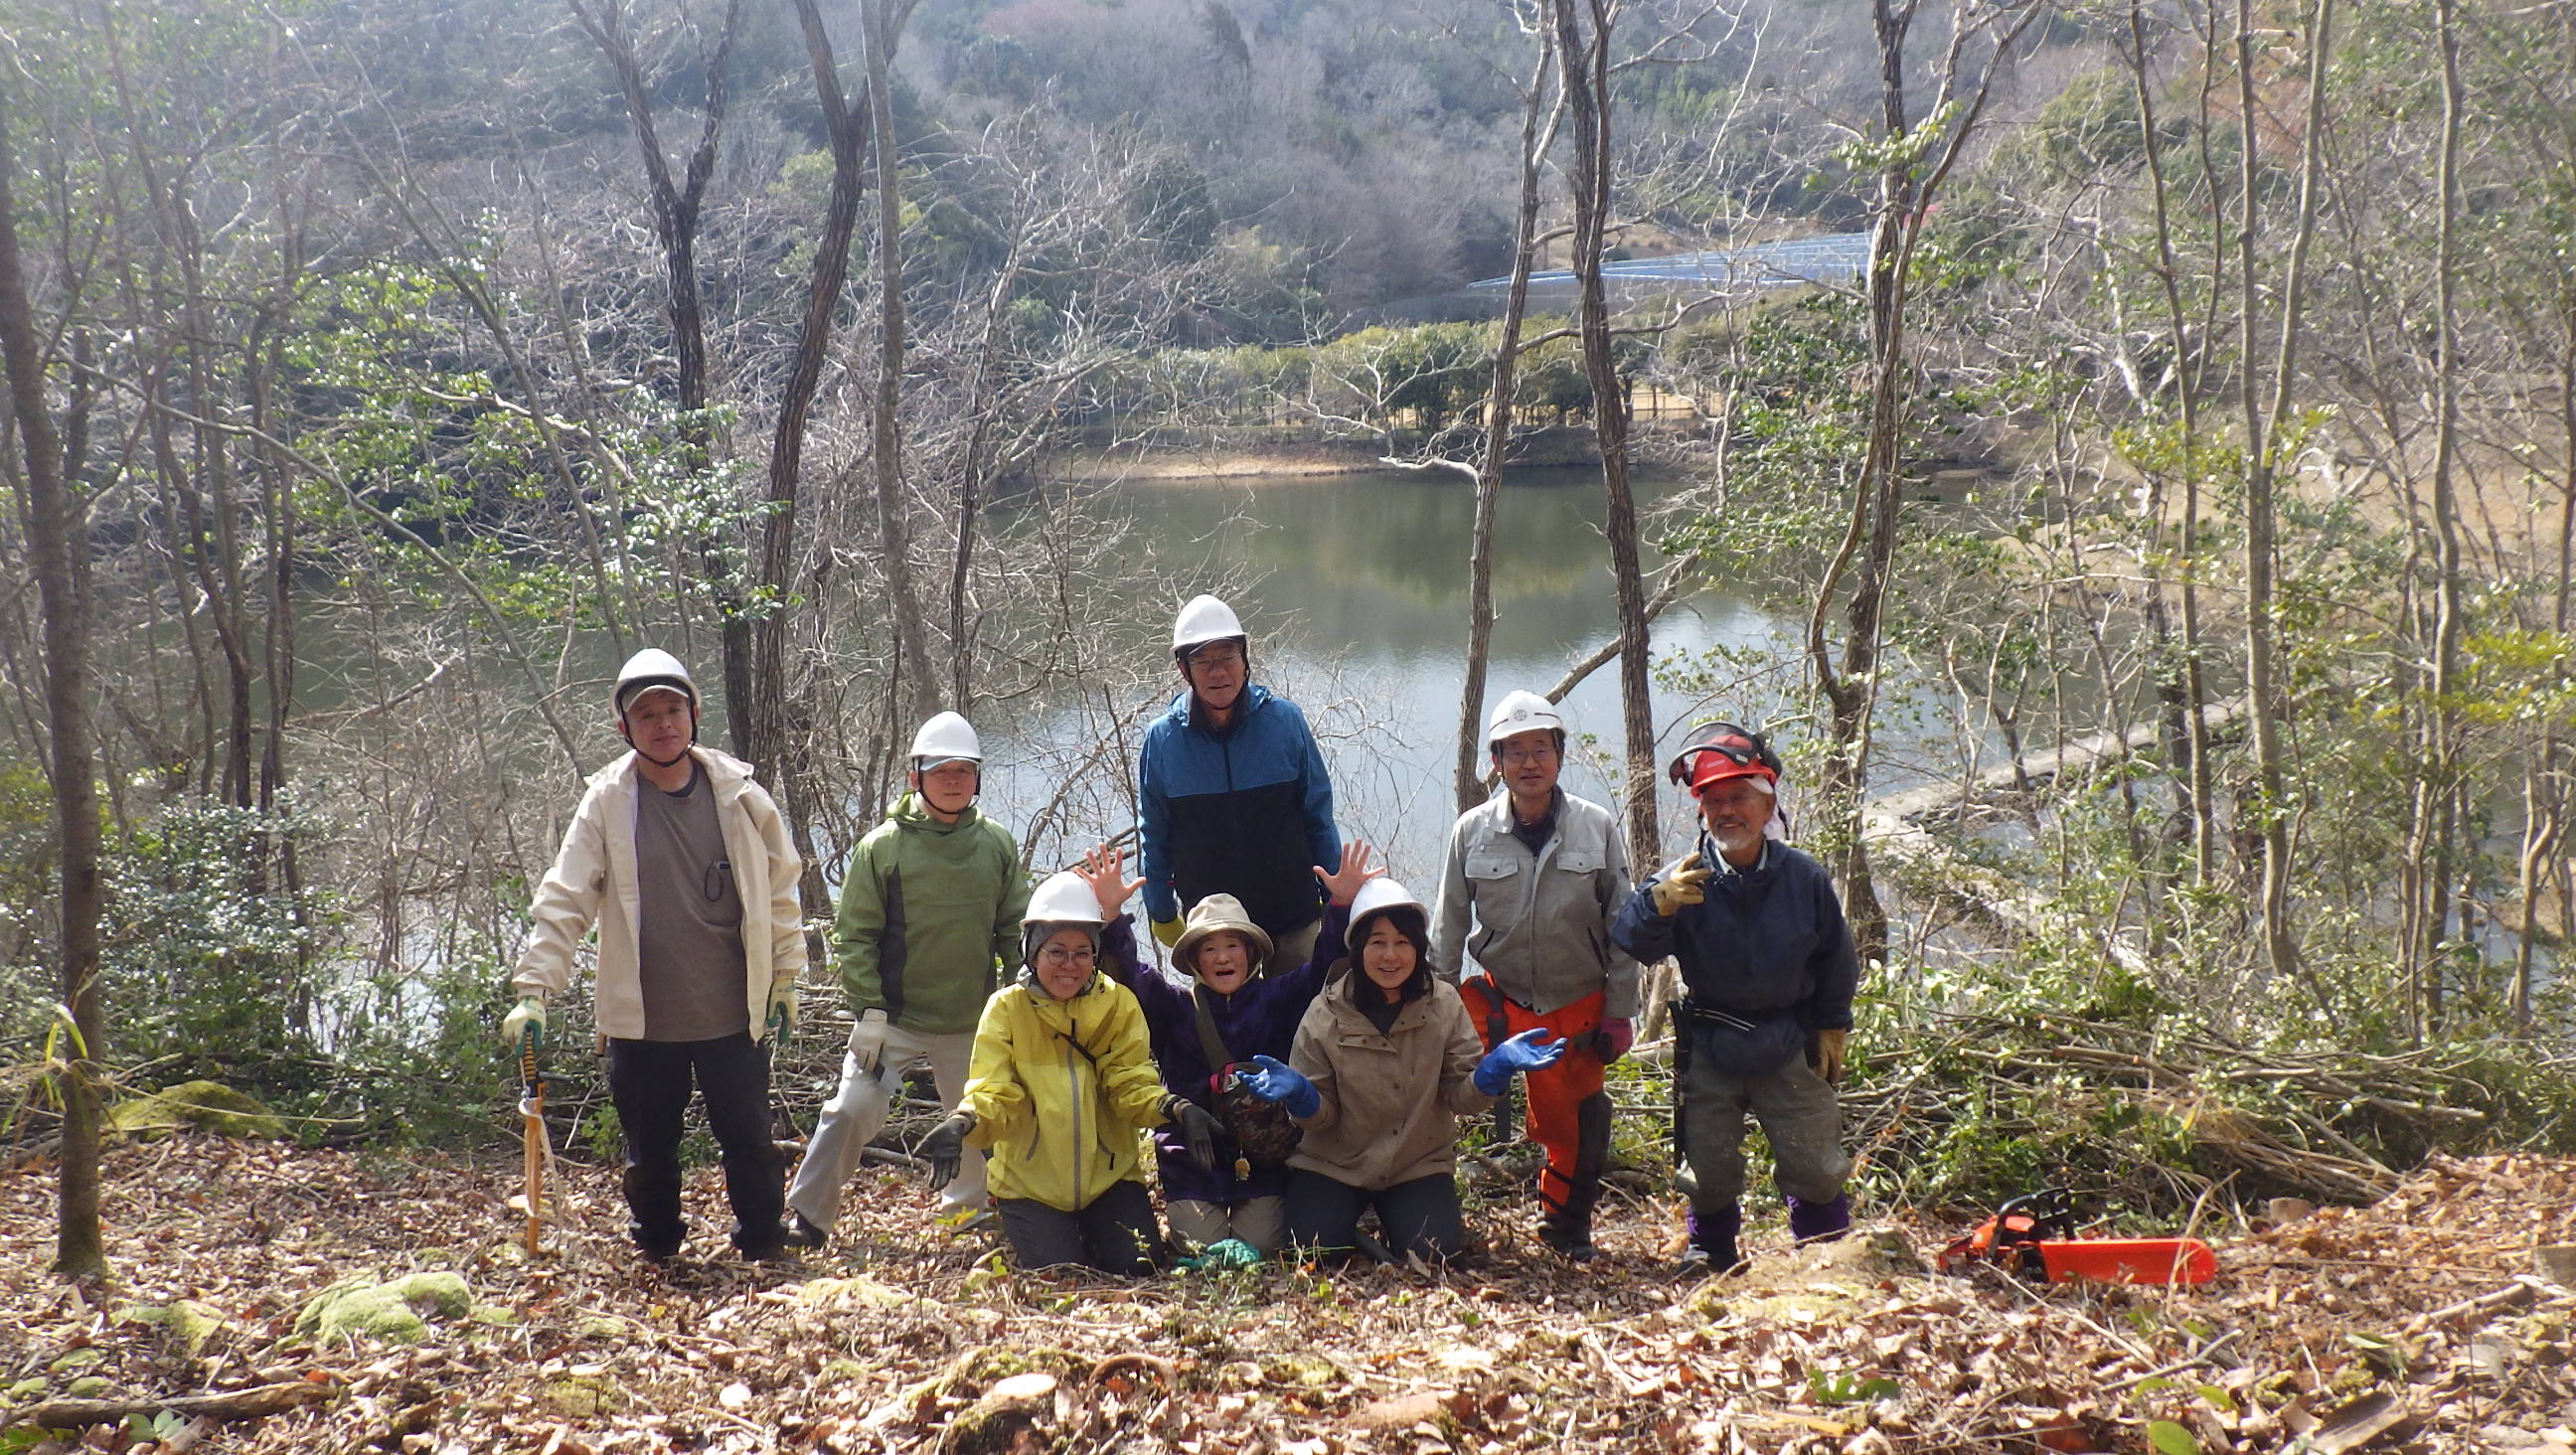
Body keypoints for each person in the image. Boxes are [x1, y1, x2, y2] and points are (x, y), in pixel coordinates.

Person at [502, 649, 804, 1262]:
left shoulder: (740, 795)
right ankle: (660, 1251)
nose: (662, 723)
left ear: (693, 715)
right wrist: (535, 989)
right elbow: (566, 895)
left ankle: (764, 1247)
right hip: (642, 1020)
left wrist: (786, 976)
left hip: (732, 1011)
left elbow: (780, 889)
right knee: (650, 1151)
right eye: (646, 715)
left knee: (749, 1142)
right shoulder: (607, 802)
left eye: (673, 709)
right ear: (624, 727)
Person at [1609, 720, 1857, 1273]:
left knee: (1815, 1162)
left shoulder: (1803, 879)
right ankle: (1710, 1255)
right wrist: (1658, 904)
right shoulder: (1685, 880)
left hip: (1790, 1037)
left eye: (1739, 797)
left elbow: (1837, 958)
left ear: (1767, 805)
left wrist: (1831, 1024)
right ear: (1700, 810)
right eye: (1714, 800)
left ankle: (1824, 1259)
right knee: (1709, 1165)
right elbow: (1628, 940)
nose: (1727, 811)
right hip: (1713, 1041)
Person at [781, 712, 1028, 1248]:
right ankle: (810, 1217)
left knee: (973, 1121)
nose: (954, 780)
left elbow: (1014, 929)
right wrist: (868, 1012)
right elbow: (855, 936)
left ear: (977, 778)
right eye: (942, 771)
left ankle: (965, 1214)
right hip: (893, 1021)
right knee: (849, 1109)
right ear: (915, 777)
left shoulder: (996, 845)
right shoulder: (882, 848)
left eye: (964, 771)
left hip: (972, 1018)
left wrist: (1022, 991)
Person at [1236, 878, 1566, 1262]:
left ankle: (1388, 1224)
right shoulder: (1325, 1013)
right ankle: (1351, 1229)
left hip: (1416, 1164)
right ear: (1358, 949)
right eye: (1377, 942)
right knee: (1313, 1251)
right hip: (1334, 1164)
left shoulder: (1442, 1004)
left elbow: (1461, 1097)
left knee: (1435, 1255)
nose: (1389, 956)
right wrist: (1302, 1095)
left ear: (1417, 948)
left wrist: (1494, 1069)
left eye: (1402, 943)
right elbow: (1320, 1120)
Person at [919, 870, 1226, 1273]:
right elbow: (997, 1092)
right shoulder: (1007, 1009)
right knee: (1058, 1273)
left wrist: (1175, 1108)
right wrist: (963, 1121)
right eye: (1057, 951)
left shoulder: (1117, 1004)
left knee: (1137, 1266)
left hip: (1109, 1177)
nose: (1070, 965)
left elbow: (1129, 1084)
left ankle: (1095, 1229)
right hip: (1031, 1184)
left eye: (1082, 952)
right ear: (1032, 950)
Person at [1091, 840, 1381, 1255]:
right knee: (1201, 1247)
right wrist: (1111, 917)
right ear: (1195, 960)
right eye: (1209, 948)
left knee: (1260, 1244)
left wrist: (1340, 905)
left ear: (1250, 953)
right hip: (1193, 1162)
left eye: (1232, 945)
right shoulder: (1175, 1007)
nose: (1222, 957)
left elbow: (1324, 968)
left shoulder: (1279, 998)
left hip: (1264, 1163)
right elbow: (1131, 977)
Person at [1431, 691, 1637, 1261]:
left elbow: (1623, 923)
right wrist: (1435, 1010)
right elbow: (1448, 926)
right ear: (1495, 762)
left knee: (1577, 1124)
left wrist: (1620, 1012)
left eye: (1540, 748)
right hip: (1500, 1000)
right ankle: (1423, 1209)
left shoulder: (1594, 827)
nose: (1529, 763)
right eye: (1514, 751)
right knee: (1428, 1086)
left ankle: (1564, 1229)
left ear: (1559, 755)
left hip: (1578, 999)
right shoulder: (1470, 832)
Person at [1137, 594, 1340, 975]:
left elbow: (1318, 816)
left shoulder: (1284, 723)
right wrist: (1161, 910)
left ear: (1244, 660)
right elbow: (1154, 832)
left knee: (1299, 1024)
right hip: (1214, 929)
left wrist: (1336, 899)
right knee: (1220, 1032)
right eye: (1203, 661)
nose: (1218, 673)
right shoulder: (1163, 740)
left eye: (1227, 657)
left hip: (1291, 916)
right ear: (1184, 669)